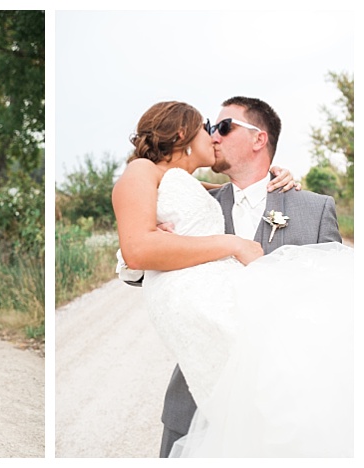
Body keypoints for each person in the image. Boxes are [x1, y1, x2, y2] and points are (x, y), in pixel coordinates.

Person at [111, 100, 351, 457]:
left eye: (223, 126)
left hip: (283, 408)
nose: (213, 135)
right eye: (209, 127)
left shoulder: (313, 209)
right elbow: (141, 254)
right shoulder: (194, 197)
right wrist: (140, 257)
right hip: (196, 402)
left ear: (259, 139)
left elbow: (336, 310)